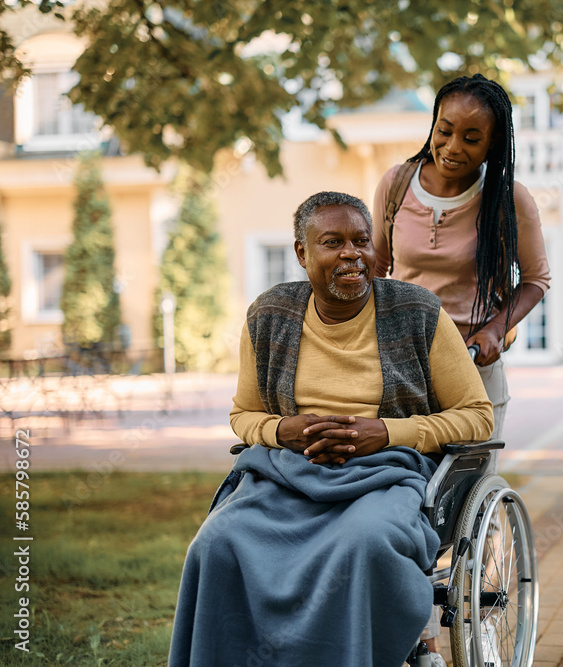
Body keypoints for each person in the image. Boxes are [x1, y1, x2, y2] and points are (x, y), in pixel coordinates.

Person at [168, 192, 493, 667]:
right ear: (302, 253)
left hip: (384, 476)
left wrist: (386, 432)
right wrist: (286, 430)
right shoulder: (270, 315)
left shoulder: (416, 312)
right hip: (288, 475)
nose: (351, 254)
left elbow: (477, 415)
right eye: (332, 242)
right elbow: (243, 415)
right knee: (216, 544)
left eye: (361, 241)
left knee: (361, 543)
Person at [373, 73, 551, 446]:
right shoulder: (396, 184)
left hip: (471, 367)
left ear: (493, 142)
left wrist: (494, 330)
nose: (453, 148)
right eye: (444, 131)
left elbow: (536, 280)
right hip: (402, 366)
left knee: (462, 488)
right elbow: (376, 267)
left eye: (471, 139)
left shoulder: (508, 200)